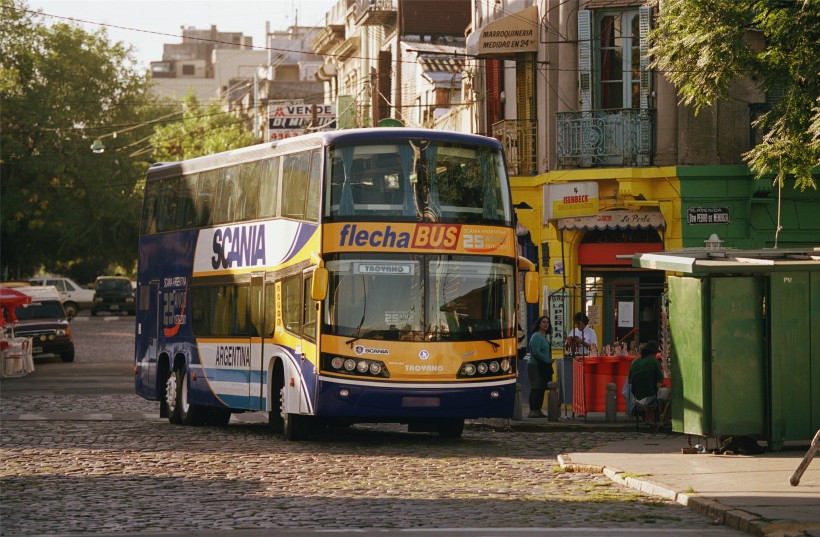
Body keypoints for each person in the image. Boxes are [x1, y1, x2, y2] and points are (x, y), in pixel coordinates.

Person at [627, 340, 669, 423]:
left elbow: (630, 381)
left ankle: (649, 418)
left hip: (637, 397)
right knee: (668, 393)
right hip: (651, 396)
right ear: (654, 353)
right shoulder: (654, 362)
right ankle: (665, 419)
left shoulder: (634, 362)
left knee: (649, 390)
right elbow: (660, 380)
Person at [526, 315, 552, 418]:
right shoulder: (536, 336)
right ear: (539, 324)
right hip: (534, 365)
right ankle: (532, 410)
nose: (546, 324)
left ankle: (538, 410)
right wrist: (547, 360)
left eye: (547, 322)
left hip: (543, 365)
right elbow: (536, 352)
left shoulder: (545, 337)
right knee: (535, 388)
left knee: (541, 388)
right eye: (544, 322)